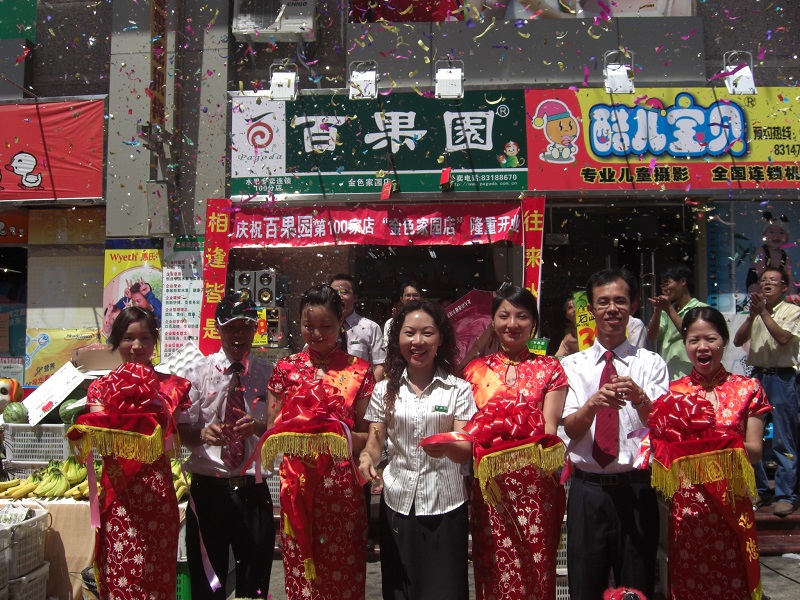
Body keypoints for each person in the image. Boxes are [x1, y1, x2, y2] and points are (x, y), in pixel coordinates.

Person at [67, 307, 191, 599]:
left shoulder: (171, 388)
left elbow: (173, 436)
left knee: (157, 575)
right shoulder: (99, 388)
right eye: (128, 338)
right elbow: (101, 437)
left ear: (155, 341)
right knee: (122, 574)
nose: (137, 346)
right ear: (116, 342)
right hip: (119, 496)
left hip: (157, 495)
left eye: (145, 338)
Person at [561, 268, 669, 600]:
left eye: (620, 301)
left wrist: (640, 397)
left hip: (636, 488)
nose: (612, 309)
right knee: (584, 586)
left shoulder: (651, 364)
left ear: (633, 306)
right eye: (603, 302)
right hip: (587, 490)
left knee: (635, 588)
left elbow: (662, 425)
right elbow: (570, 428)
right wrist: (592, 405)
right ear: (591, 309)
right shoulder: (571, 366)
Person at [647, 306, 769, 600]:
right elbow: (662, 453)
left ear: (724, 341)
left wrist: (713, 445)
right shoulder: (673, 393)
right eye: (693, 340)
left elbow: (754, 451)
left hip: (731, 506)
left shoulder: (748, 388)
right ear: (685, 345)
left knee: (734, 582)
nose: (702, 347)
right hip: (688, 511)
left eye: (710, 339)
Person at [263, 284, 376, 600]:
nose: (316, 334)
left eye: (325, 326)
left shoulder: (359, 370)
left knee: (343, 575)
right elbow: (273, 429)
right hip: (297, 487)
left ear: (341, 323)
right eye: (308, 326)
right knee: (303, 579)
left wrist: (335, 434)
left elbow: (368, 436)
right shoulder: (285, 369)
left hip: (342, 490)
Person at [359, 300, 475, 600]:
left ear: (440, 338)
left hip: (446, 504)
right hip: (398, 504)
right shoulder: (384, 390)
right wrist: (368, 457)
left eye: (427, 333)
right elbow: (375, 440)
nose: (418, 341)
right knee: (401, 591)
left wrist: (448, 447)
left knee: (446, 591)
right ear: (397, 338)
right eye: (409, 333)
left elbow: (465, 448)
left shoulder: (459, 389)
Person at [461, 285, 568, 599]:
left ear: (533, 323)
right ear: (493, 321)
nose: (512, 324)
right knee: (493, 568)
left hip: (535, 488)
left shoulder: (550, 368)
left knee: (536, 568)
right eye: (504, 315)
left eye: (521, 316)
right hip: (490, 489)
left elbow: (549, 430)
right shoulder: (474, 370)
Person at [178, 293, 275, 599]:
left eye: (245, 327)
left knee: (254, 585)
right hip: (209, 490)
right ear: (217, 328)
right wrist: (202, 434)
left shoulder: (270, 374)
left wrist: (259, 427)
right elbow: (180, 431)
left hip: (253, 491)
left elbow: (281, 430)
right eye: (231, 327)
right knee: (207, 585)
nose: (238, 335)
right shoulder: (196, 373)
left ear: (255, 329)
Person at [734, 266, 800, 517]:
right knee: (750, 436)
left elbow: (783, 338)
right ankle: (760, 490)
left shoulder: (792, 311)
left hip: (782, 377)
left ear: (784, 287)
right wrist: (752, 317)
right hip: (757, 376)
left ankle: (785, 495)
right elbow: (738, 341)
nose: (767, 284)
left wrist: (763, 313)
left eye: (773, 280)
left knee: (784, 438)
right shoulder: (756, 312)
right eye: (763, 280)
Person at [646, 263, 707, 379]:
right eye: (662, 285)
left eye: (667, 283)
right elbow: (651, 336)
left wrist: (669, 308)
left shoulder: (701, 309)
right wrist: (658, 310)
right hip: (668, 376)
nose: (664, 289)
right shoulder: (666, 311)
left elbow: (690, 334)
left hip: (691, 376)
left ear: (682, 281)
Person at [329, 273, 386, 381]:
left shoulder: (370, 328)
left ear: (355, 297)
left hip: (360, 387)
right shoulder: (322, 327)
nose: (339, 296)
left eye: (344, 292)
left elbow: (379, 365)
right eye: (334, 293)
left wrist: (369, 390)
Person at [746, 213, 797, 296]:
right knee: (756, 288)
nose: (776, 236)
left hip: (776, 286)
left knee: (791, 285)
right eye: (772, 232)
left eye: (781, 232)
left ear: (787, 238)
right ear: (764, 236)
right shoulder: (761, 251)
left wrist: (793, 292)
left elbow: (789, 276)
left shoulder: (786, 257)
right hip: (759, 283)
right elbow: (760, 273)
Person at [382, 281, 423, 349]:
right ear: (401, 298)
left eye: (415, 295)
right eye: (408, 295)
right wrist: (397, 322)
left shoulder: (430, 319)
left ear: (421, 297)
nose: (411, 298)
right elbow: (388, 346)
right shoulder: (391, 322)